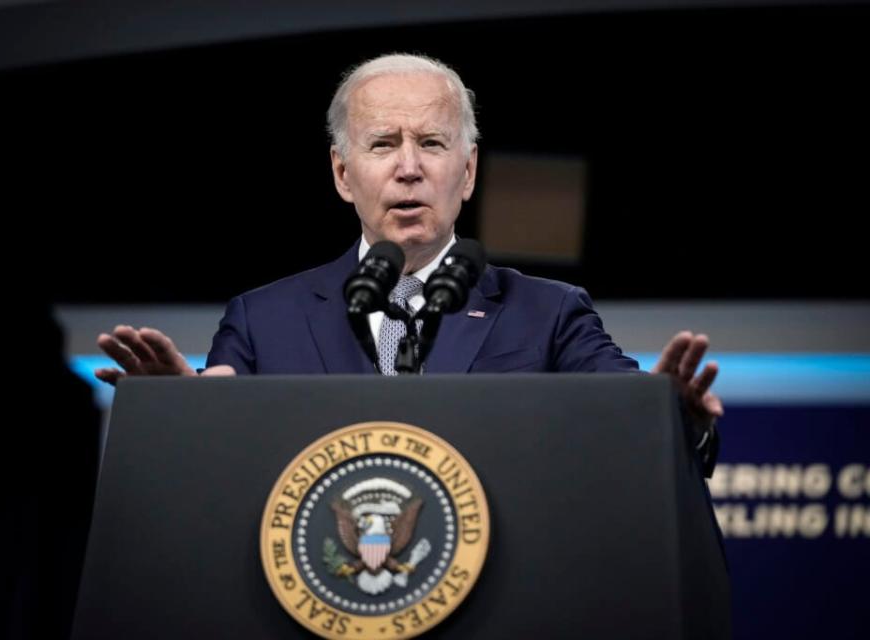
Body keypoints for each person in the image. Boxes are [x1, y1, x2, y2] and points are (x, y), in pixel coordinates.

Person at [96, 53, 722, 469]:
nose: (409, 167)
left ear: (468, 169)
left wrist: (674, 419)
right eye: (382, 144)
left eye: (430, 143)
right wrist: (174, 422)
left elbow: (630, 422)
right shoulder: (263, 321)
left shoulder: (549, 314)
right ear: (343, 173)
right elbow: (217, 464)